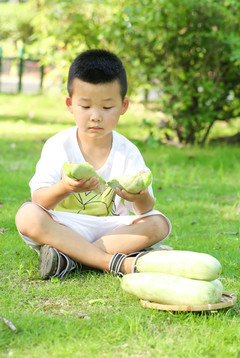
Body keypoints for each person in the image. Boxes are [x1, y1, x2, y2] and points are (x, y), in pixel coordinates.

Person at [15, 49, 171, 279]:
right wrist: (65, 187)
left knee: (159, 224)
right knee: (27, 215)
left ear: (123, 106)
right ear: (70, 104)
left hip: (113, 230)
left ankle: (68, 259)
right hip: (65, 227)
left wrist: (138, 196)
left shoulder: (127, 151)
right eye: (85, 106)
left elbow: (145, 209)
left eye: (107, 108)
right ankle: (116, 263)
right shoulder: (58, 145)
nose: (95, 116)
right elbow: (40, 200)